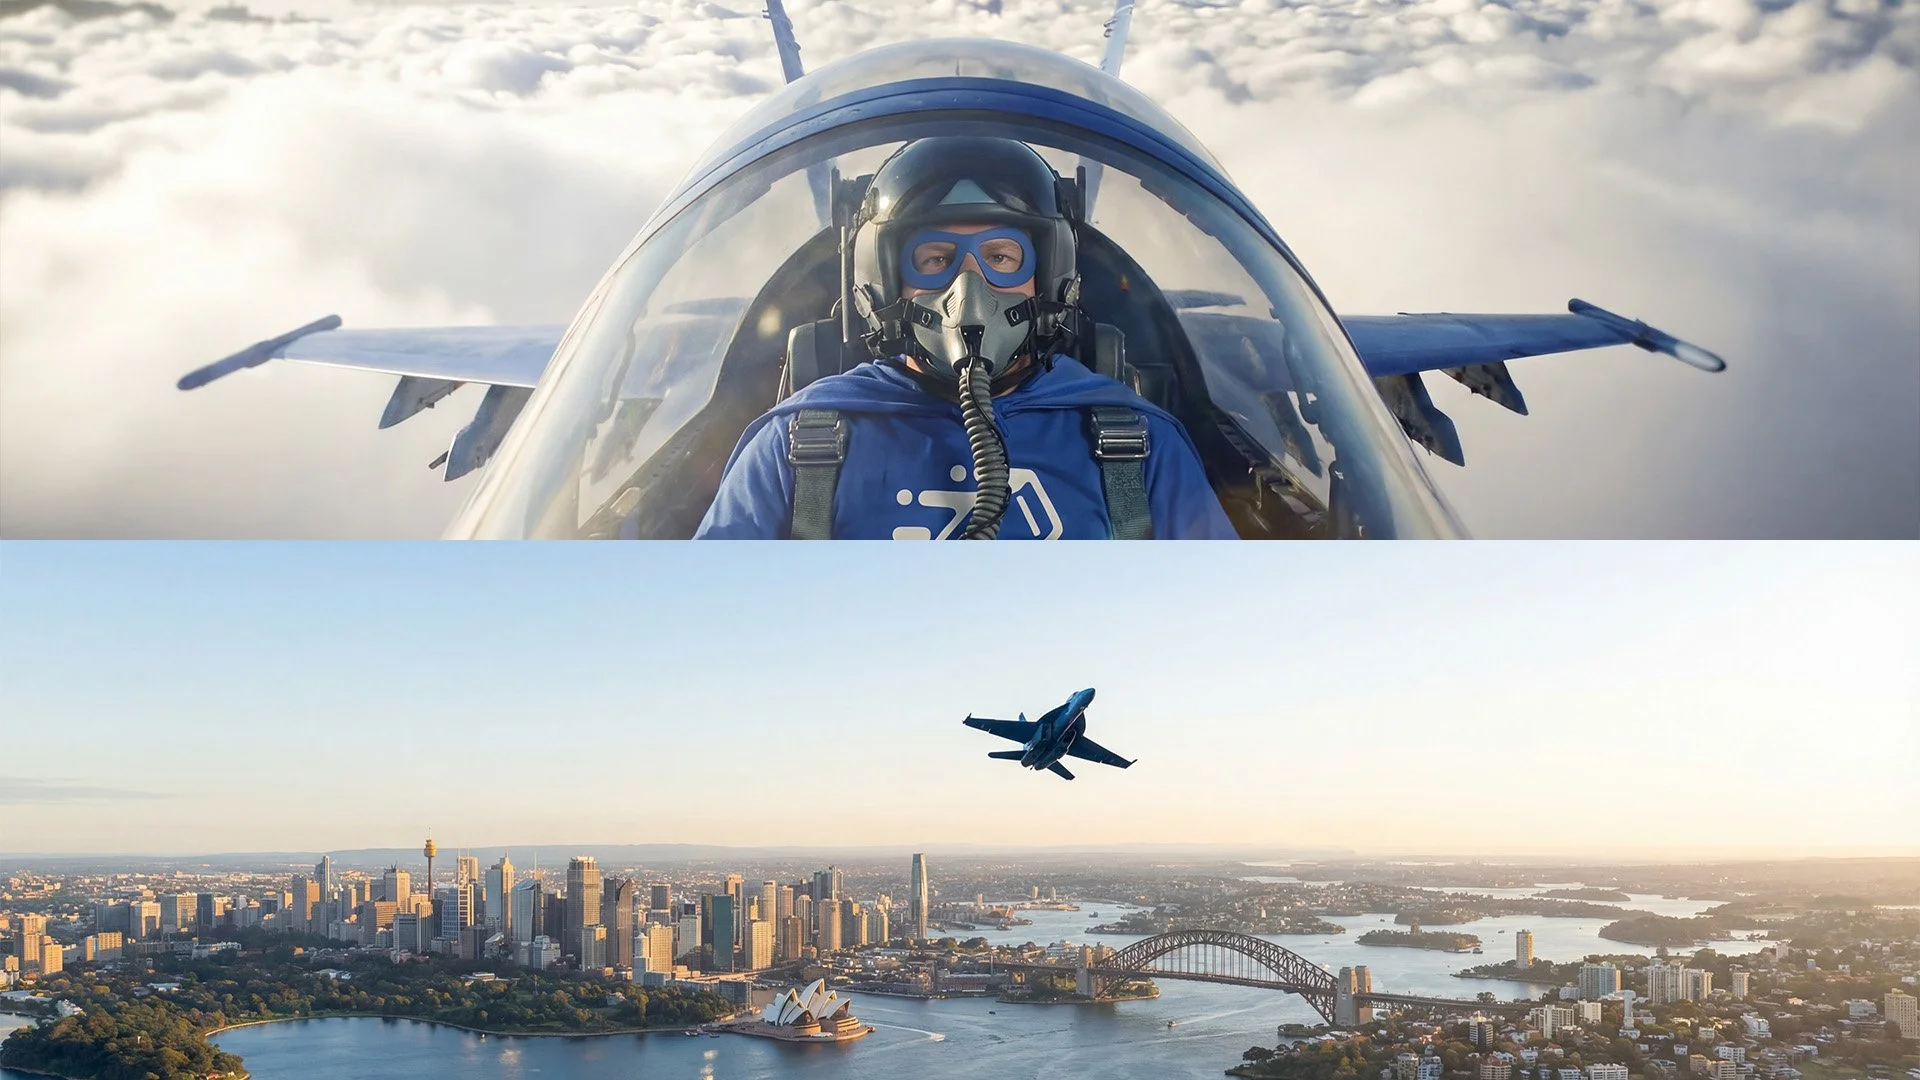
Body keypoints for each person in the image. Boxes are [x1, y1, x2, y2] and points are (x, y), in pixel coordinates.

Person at [694, 136, 1237, 540]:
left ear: (1047, 277)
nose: (968, 288)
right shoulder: (792, 448)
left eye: (1001, 257)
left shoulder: (1142, 446)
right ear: (885, 282)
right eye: (935, 259)